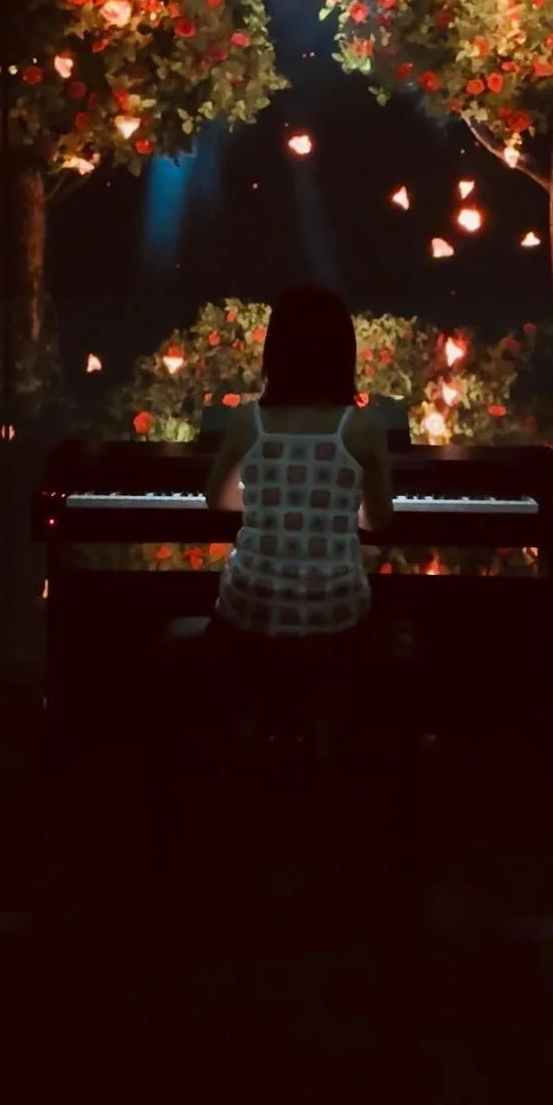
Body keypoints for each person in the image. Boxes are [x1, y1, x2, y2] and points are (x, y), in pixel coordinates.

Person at [203, 285, 394, 780]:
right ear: (344, 354)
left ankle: (243, 762)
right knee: (355, 608)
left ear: (275, 353)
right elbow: (378, 520)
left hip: (253, 604)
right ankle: (328, 761)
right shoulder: (363, 428)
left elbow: (216, 499)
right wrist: (336, 506)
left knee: (238, 599)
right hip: (333, 606)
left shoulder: (247, 422)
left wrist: (270, 498)